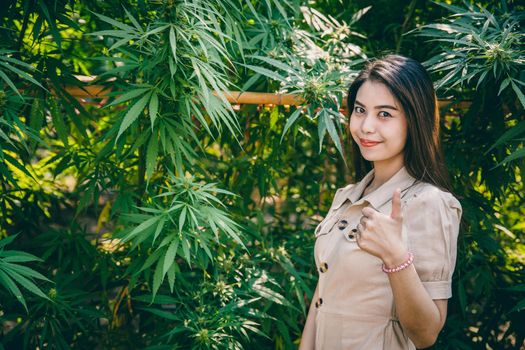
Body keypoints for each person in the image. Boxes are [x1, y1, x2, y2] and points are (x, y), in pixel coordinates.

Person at [299, 55, 462, 349]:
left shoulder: (430, 202)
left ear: (414, 120)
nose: (366, 126)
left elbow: (426, 334)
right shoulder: (346, 197)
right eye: (360, 110)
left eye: (384, 114)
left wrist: (396, 258)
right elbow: (323, 297)